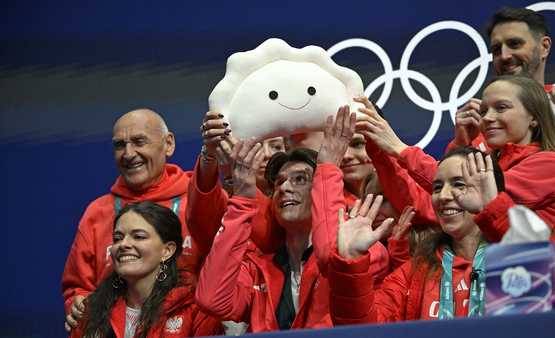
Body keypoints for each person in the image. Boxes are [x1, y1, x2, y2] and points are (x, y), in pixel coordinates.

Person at [356, 75, 555, 304]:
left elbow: (472, 189)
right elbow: (426, 198)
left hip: (542, 294)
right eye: (484, 110)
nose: (488, 118)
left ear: (534, 118)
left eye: (501, 108)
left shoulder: (552, 165)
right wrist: (379, 149)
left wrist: (398, 147)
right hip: (490, 291)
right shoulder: (487, 162)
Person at [450, 7, 555, 304]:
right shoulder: (486, 129)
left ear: (544, 47)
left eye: (515, 44)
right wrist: (459, 144)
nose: (504, 55)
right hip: (516, 291)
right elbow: (450, 195)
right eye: (496, 48)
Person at [195, 108, 388, 332]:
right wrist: (243, 199)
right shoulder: (259, 268)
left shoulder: (365, 252)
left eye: (300, 179)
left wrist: (329, 166)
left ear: (319, 191)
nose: (285, 188)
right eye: (278, 183)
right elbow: (211, 299)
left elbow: (330, 257)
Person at [62, 109, 217, 331]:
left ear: (169, 144)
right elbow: (77, 287)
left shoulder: (200, 199)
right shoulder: (98, 213)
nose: (128, 153)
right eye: (119, 145)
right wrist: (77, 302)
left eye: (139, 141)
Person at [330, 147, 504, 322]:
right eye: (437, 187)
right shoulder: (414, 271)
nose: (443, 196)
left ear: (491, 191)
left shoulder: (515, 255)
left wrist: (495, 210)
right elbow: (366, 330)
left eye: (459, 184)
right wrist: (351, 263)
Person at [70, 201, 221, 338]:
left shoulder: (194, 310)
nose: (123, 244)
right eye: (118, 238)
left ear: (167, 251)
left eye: (139, 237)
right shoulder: (90, 309)